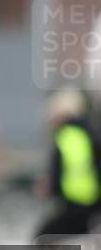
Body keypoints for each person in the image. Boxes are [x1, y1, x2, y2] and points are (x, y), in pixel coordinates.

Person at [34, 89, 101, 240]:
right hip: (92, 206)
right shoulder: (89, 131)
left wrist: (50, 187)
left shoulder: (68, 136)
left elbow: (62, 172)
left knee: (41, 237)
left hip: (80, 204)